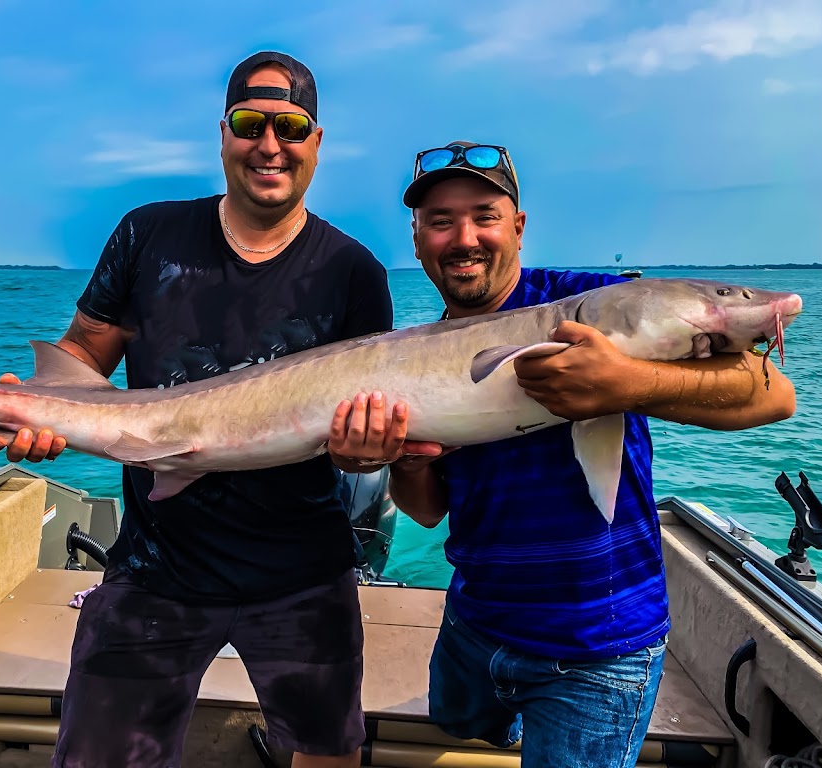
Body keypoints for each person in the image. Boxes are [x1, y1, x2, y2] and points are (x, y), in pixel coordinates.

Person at [326, 141, 796, 768]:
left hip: (597, 647)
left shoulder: (594, 302)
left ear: (518, 228)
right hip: (475, 618)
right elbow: (429, 510)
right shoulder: (415, 352)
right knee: (458, 722)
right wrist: (399, 460)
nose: (464, 237)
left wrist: (624, 385)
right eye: (440, 221)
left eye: (484, 216)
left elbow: (773, 395)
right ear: (417, 240)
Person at [0, 52, 393, 768]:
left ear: (317, 142)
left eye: (291, 127)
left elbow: (365, 424)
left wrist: (371, 453)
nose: (270, 145)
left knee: (328, 755)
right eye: (250, 123)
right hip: (154, 565)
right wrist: (40, 406)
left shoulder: (352, 271)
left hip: (303, 572)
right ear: (224, 133)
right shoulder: (149, 236)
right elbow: (85, 349)